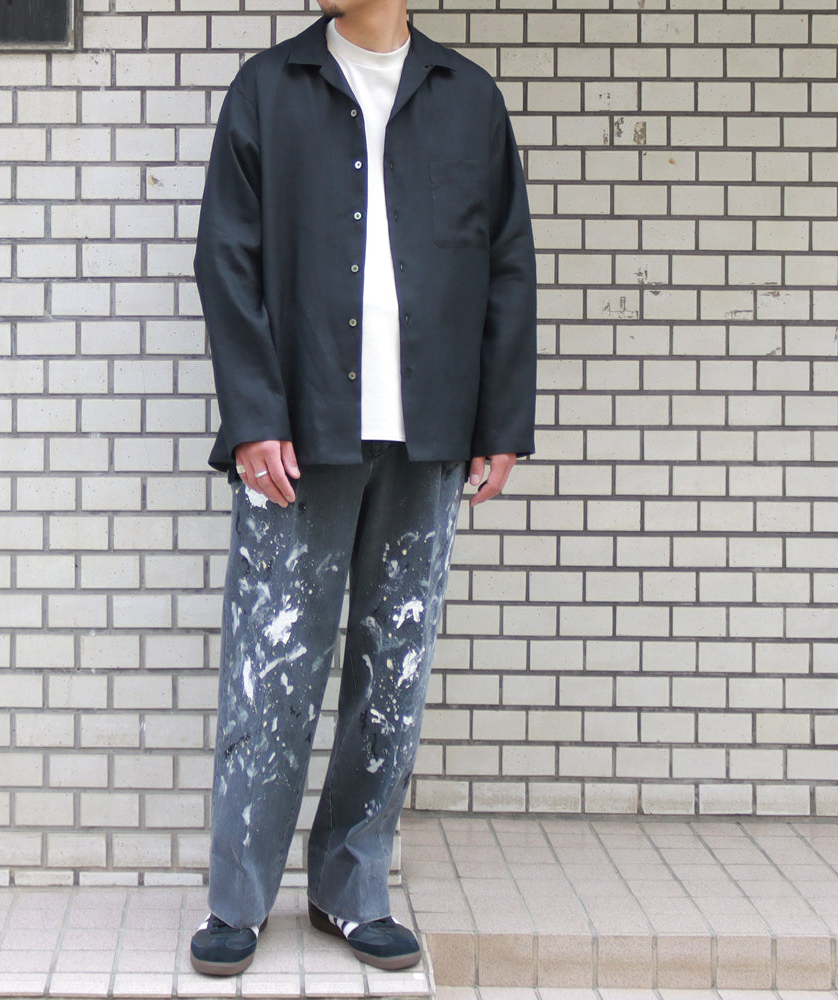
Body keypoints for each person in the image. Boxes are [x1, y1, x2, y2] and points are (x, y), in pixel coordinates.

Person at [190, 0, 536, 975]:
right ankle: (238, 900)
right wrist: (253, 414)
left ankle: (350, 887)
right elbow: (226, 257)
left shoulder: (468, 100)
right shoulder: (269, 89)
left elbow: (507, 264)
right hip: (298, 434)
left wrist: (501, 422)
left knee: (394, 672)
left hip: (428, 433)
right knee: (270, 668)